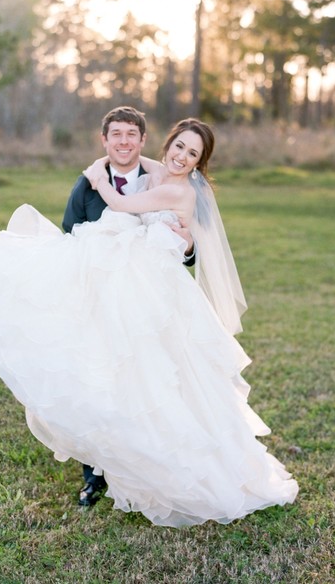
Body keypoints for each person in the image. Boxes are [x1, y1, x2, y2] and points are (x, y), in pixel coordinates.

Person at [0, 117, 298, 528]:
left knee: (151, 376)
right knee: (60, 266)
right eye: (180, 147)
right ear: (166, 145)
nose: (182, 156)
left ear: (198, 163)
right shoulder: (156, 171)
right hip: (119, 279)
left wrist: (100, 178)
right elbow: (72, 228)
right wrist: (102, 172)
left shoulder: (173, 185)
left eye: (193, 154)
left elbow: (126, 208)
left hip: (148, 287)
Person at [62, 106, 196, 506]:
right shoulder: (86, 186)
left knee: (146, 386)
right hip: (98, 303)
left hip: (148, 309)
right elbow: (67, 237)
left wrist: (187, 246)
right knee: (97, 384)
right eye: (115, 135)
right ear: (104, 140)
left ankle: (143, 469)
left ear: (142, 140)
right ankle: (94, 476)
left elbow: (190, 249)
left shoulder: (160, 178)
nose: (123, 142)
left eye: (130, 135)